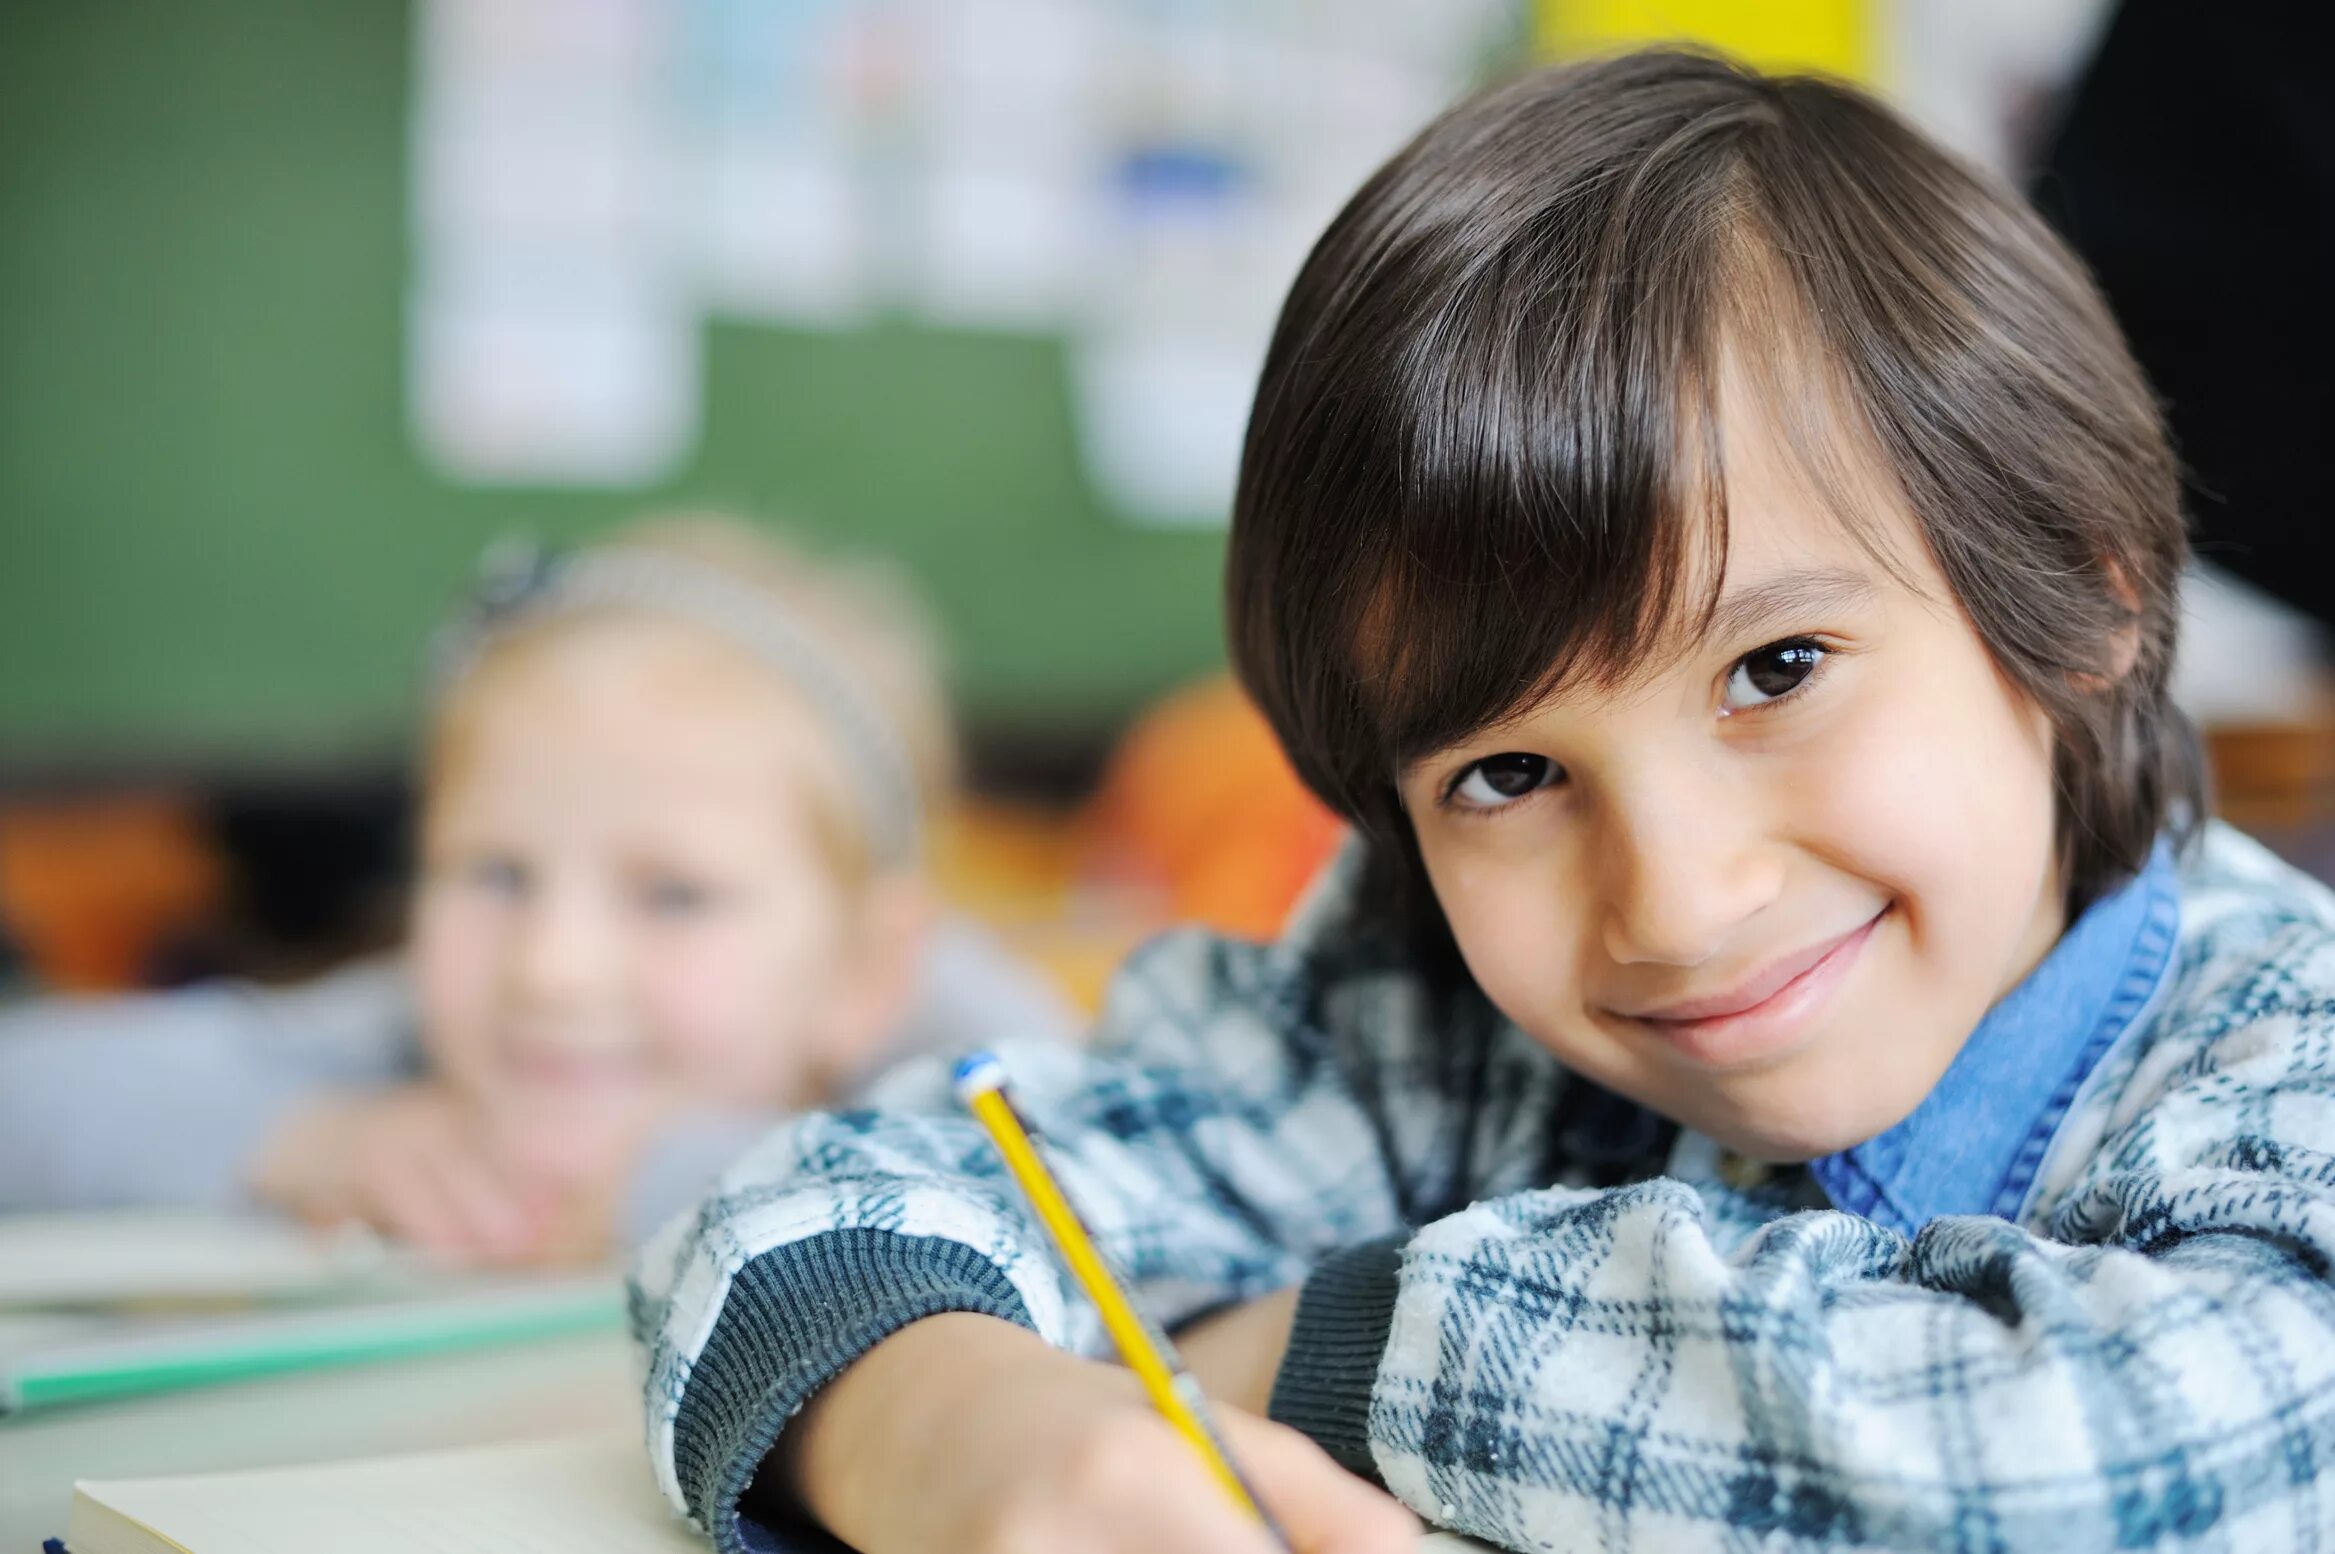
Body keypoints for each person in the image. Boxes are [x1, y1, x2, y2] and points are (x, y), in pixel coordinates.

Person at [630, 50, 2335, 1554]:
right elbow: (793, 1216)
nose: (1673, 899)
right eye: (1508, 773)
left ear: (2084, 592)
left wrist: (1339, 1346)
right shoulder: (1423, 1020)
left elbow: (2141, 1464)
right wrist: (945, 1425)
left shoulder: (2287, 1042)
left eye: (1779, 665)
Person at [0, 516, 1078, 1263]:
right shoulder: (413, 1043)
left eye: (672, 895)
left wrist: (666, 1187)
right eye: (495, 874)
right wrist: (314, 1138)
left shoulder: (971, 1038)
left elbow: (1112, 1228)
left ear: (862, 967)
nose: (550, 967)